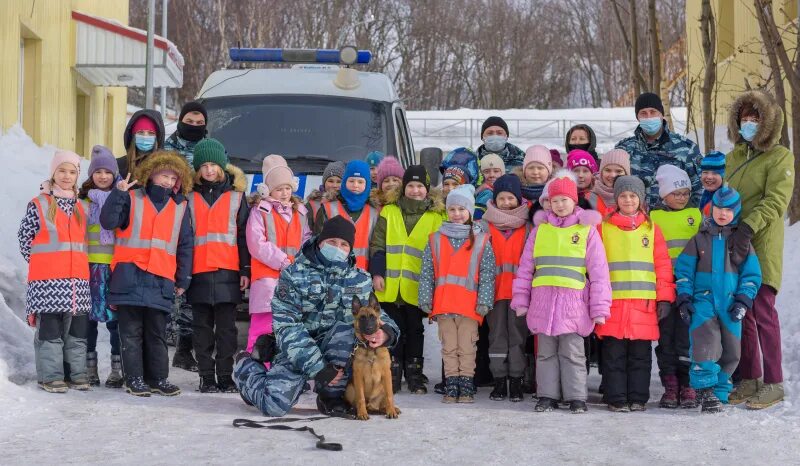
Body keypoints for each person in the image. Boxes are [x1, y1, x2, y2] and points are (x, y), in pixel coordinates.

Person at [233, 216, 400, 417]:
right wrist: (318, 368)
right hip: (296, 349)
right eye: (332, 242)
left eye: (343, 244)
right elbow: (287, 326)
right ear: (320, 242)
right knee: (274, 406)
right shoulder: (293, 274)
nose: (337, 247)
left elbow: (376, 315)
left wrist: (387, 332)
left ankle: (331, 396)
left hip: (335, 347)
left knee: (347, 333)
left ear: (350, 249)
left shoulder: (360, 278)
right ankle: (246, 370)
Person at [512, 173, 611, 413]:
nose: (559, 205)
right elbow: (525, 269)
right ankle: (547, 395)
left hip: (574, 306)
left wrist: (599, 308)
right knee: (545, 354)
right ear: (548, 203)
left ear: (574, 201)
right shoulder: (540, 231)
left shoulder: (586, 231)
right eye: (554, 200)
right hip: (542, 304)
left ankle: (576, 397)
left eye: (564, 200)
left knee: (573, 354)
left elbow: (599, 273)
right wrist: (521, 300)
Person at [100, 150, 194, 397]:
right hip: (129, 275)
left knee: (157, 334)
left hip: (161, 278)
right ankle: (134, 379)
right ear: (151, 174)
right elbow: (108, 221)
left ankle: (158, 379)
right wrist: (118, 193)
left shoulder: (180, 207)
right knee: (130, 334)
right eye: (164, 175)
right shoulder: (131, 197)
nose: (169, 182)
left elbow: (185, 244)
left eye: (174, 179)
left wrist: (184, 278)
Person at [724, 90, 794, 409]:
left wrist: (749, 225)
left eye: (755, 119)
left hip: (761, 242)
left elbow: (776, 200)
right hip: (733, 240)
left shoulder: (779, 157)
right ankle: (750, 377)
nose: (748, 124)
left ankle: (774, 381)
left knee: (763, 310)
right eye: (744, 119)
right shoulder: (734, 157)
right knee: (744, 313)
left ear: (767, 123)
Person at [674, 187, 762, 413]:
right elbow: (684, 271)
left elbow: (751, 275)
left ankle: (721, 390)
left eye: (729, 210)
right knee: (705, 344)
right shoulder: (698, 240)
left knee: (732, 350)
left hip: (731, 303)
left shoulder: (741, 243)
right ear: (711, 209)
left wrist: (743, 300)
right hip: (703, 301)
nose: (723, 214)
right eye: (719, 209)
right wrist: (684, 298)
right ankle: (706, 390)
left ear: (736, 212)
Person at [595, 176, 675, 412]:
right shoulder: (603, 228)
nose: (628, 200)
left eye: (632, 195)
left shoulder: (651, 229)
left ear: (640, 199)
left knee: (640, 356)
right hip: (613, 305)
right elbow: (596, 265)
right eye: (623, 195)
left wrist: (664, 297)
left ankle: (638, 398)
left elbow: (662, 264)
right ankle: (616, 398)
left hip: (644, 305)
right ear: (616, 199)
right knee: (613, 356)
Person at [18, 150, 91, 393]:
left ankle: (77, 374)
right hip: (47, 282)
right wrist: (41, 262)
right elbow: (25, 238)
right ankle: (51, 376)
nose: (67, 176)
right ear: (53, 173)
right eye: (62, 170)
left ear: (77, 175)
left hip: (77, 283)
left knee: (77, 334)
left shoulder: (82, 207)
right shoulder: (39, 204)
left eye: (72, 172)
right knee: (50, 333)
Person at [370, 165, 445, 394]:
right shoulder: (389, 211)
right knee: (392, 329)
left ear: (427, 189)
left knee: (415, 330)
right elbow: (378, 244)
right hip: (390, 285)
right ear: (404, 188)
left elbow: (439, 254)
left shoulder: (436, 217)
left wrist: (434, 287)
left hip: (417, 286)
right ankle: (391, 371)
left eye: (419, 186)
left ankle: (414, 372)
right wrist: (377, 273)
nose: (415, 190)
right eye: (411, 186)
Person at [418, 185, 495, 403]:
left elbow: (487, 273)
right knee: (449, 347)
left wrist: (484, 301)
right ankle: (452, 384)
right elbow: (427, 271)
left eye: (462, 209)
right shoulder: (435, 239)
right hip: (444, 305)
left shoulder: (481, 240)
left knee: (467, 348)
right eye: (452, 209)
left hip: (469, 307)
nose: (457, 214)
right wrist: (425, 297)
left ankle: (466, 386)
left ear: (470, 211)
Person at [187, 138, 251, 393]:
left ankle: (225, 375)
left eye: (214, 164)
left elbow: (244, 235)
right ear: (198, 169)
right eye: (204, 166)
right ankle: (206, 377)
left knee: (227, 330)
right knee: (201, 330)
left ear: (223, 166)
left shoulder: (237, 197)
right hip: (198, 272)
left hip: (228, 271)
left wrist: (245, 269)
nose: (209, 170)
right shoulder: (189, 197)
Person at [246, 155, 311, 354]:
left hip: (294, 279)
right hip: (267, 279)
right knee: (262, 327)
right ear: (268, 190)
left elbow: (306, 240)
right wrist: (283, 261)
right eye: (279, 189)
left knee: (290, 327)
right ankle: (253, 367)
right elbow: (256, 243)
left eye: (288, 188)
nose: (284, 193)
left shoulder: (300, 212)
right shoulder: (260, 211)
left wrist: (300, 264)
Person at [650, 165, 701, 409]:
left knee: (687, 337)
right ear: (663, 195)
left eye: (685, 192)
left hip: (689, 288)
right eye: (676, 193)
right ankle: (670, 384)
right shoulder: (654, 218)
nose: (682, 197)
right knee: (666, 338)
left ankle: (688, 383)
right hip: (663, 287)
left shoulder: (696, 215)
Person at [479, 174, 531, 402]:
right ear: (495, 199)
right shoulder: (483, 227)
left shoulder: (527, 228)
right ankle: (499, 379)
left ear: (519, 200)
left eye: (511, 198)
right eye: (502, 198)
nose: (506, 202)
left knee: (518, 338)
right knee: (497, 337)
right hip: (494, 293)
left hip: (520, 295)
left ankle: (517, 379)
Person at [79, 145, 123, 388]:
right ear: (91, 174)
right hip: (88, 268)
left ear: (115, 174)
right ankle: (90, 367)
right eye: (98, 171)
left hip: (114, 269)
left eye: (108, 171)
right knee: (87, 321)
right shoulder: (83, 203)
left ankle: (117, 369)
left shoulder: (121, 200)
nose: (103, 176)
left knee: (116, 321)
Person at [615, 92, 703, 210]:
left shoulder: (686, 148)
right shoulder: (624, 149)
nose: (649, 117)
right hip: (636, 224)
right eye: (643, 113)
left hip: (673, 222)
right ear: (638, 117)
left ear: (661, 114)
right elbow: (613, 186)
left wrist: (690, 220)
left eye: (653, 112)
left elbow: (699, 189)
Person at [314, 160, 377, 271]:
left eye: (360, 182)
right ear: (344, 182)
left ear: (367, 184)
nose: (355, 185)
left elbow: (377, 248)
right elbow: (316, 243)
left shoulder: (374, 212)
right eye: (351, 181)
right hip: (331, 274)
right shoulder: (328, 208)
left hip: (362, 277)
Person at [117, 109, 166, 179]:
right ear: (133, 136)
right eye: (140, 132)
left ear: (157, 137)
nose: (145, 137)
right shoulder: (119, 165)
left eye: (151, 133)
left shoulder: (166, 166)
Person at [164, 101, 208, 166]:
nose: (194, 126)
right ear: (180, 122)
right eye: (189, 121)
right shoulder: (165, 150)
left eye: (199, 123)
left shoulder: (213, 149)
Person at [306, 161, 345, 231]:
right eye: (330, 181)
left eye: (339, 182)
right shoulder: (312, 204)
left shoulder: (347, 203)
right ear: (324, 183)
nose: (334, 185)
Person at [588, 149, 630, 215]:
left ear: (626, 173)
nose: (613, 175)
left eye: (618, 171)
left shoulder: (634, 197)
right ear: (601, 172)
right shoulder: (589, 197)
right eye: (608, 170)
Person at [474, 153, 505, 220]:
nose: (491, 175)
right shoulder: (487, 193)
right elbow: (477, 219)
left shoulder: (507, 191)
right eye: (486, 171)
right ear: (480, 174)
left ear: (502, 173)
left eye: (496, 171)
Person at [698, 150, 726, 217]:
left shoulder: (724, 198)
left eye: (715, 173)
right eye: (705, 172)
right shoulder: (704, 194)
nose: (709, 177)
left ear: (723, 176)